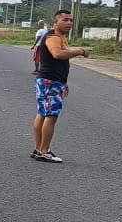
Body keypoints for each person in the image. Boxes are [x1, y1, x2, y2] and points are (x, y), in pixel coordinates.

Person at [32, 10, 90, 163]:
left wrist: (63, 82)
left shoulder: (60, 37)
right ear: (56, 22)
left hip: (49, 81)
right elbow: (57, 54)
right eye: (65, 20)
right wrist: (80, 51)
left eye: (71, 20)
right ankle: (44, 151)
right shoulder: (53, 37)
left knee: (42, 114)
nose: (69, 23)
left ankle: (39, 149)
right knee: (51, 116)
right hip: (50, 81)